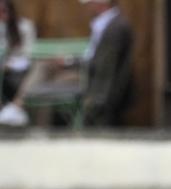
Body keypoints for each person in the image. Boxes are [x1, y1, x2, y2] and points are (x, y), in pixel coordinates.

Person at [0, 0, 133, 127]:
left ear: (100, 4)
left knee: (42, 77)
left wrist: (96, 101)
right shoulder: (103, 23)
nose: (87, 8)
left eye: (90, 3)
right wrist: (68, 61)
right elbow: (91, 57)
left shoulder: (115, 27)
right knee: (44, 72)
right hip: (82, 72)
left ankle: (17, 108)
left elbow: (104, 69)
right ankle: (26, 118)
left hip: (89, 80)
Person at [0, 0, 35, 114]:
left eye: (3, 11)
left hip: (21, 70)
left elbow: (29, 55)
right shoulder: (2, 27)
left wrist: (10, 65)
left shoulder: (25, 26)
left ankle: (13, 109)